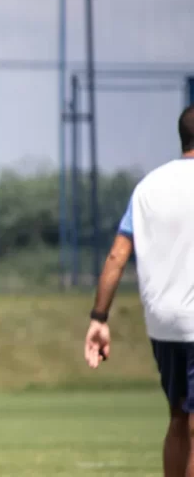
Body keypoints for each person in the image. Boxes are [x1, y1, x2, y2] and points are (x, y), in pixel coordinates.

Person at [84, 104, 194, 477]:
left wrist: (99, 318)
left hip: (163, 325)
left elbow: (117, 255)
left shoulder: (148, 186)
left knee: (179, 417)